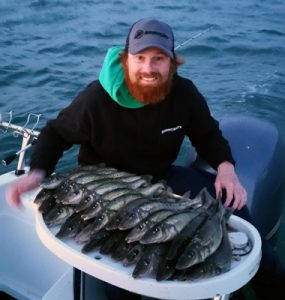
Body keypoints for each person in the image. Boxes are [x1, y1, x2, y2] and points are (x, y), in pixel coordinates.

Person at [6, 18, 284, 300]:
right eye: (140, 58)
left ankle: (270, 284)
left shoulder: (184, 94)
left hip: (160, 176)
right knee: (121, 272)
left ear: (172, 62)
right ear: (125, 60)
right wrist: (37, 173)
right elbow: (55, 134)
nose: (149, 68)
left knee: (235, 208)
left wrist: (225, 167)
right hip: (104, 188)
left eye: (159, 59)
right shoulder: (96, 99)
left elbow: (207, 134)